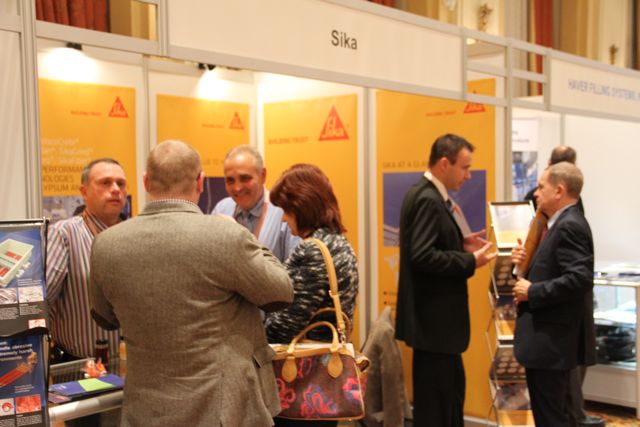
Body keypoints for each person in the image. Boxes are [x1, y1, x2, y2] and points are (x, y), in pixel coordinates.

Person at [89, 140, 294, 427]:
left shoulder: (104, 244)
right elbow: (281, 292)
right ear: (200, 181)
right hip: (223, 412)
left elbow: (105, 318)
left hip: (145, 412)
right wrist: (246, 236)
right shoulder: (226, 235)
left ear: (146, 181)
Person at [394, 133, 496, 427]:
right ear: (443, 164)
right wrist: (470, 261)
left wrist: (460, 244)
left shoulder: (428, 194)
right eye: (464, 167)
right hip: (434, 326)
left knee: (447, 402)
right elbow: (422, 256)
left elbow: (429, 247)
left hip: (437, 329)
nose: (468, 175)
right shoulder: (428, 199)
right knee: (437, 409)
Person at [264, 163, 359, 427]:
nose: (283, 219)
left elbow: (284, 326)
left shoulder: (312, 251)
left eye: (286, 211)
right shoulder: (340, 244)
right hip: (326, 380)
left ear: (302, 207)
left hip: (303, 381)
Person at [511, 162, 594, 427]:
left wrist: (533, 291)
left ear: (559, 191)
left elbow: (579, 279)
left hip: (552, 343)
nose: (535, 193)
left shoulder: (570, 225)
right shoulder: (554, 224)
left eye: (541, 187)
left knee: (552, 417)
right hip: (548, 344)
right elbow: (553, 269)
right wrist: (523, 263)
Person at [46, 158, 127, 362]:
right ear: (84, 192)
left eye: (120, 183)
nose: (115, 189)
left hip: (128, 366)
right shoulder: (64, 234)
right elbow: (42, 299)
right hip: (79, 367)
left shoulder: (134, 235)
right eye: (105, 182)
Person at [212, 145, 300, 261]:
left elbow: (295, 269)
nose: (237, 188)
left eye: (245, 178)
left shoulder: (284, 212)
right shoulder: (221, 209)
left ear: (262, 175)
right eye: (230, 180)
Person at [524, 145, 578, 210]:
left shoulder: (531, 197)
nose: (536, 193)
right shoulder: (574, 199)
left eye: (541, 187)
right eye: (541, 187)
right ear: (573, 165)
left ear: (549, 163)